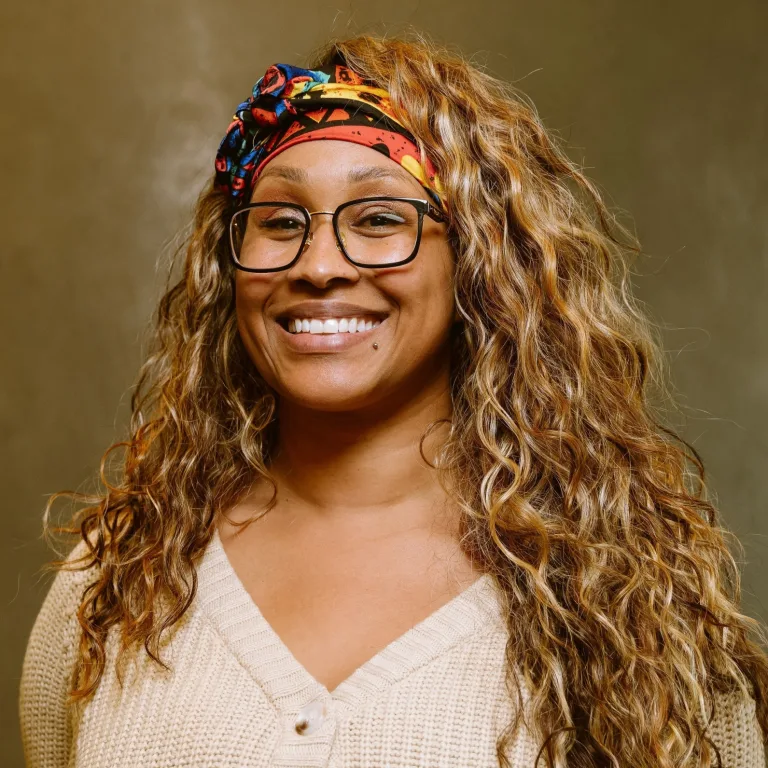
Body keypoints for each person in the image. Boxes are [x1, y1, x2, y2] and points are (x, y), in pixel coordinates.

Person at [18, 32, 768, 768]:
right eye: (280, 222)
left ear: (476, 263)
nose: (317, 266)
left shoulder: (621, 596)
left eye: (379, 219)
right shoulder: (119, 580)